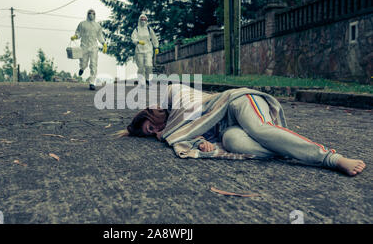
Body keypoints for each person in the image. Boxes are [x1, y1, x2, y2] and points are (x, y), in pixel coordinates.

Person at [121, 84, 366, 176]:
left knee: (260, 129)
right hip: (229, 129)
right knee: (233, 143)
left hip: (235, 103)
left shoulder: (173, 96)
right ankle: (288, 148)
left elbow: (189, 113)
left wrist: (172, 135)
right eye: (150, 133)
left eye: (152, 126)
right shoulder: (182, 131)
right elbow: (190, 134)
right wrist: (200, 143)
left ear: (152, 112)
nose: (156, 132)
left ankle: (331, 158)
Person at [71, 9, 107, 90]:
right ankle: (82, 68)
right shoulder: (82, 24)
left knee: (93, 64)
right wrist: (75, 36)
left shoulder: (97, 26)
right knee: (84, 62)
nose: (91, 15)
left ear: (95, 15)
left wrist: (104, 44)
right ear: (87, 14)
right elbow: (78, 32)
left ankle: (92, 83)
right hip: (84, 46)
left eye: (93, 13)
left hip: (94, 47)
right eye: (90, 13)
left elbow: (100, 36)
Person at [131, 14, 159, 86]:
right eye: (141, 19)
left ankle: (149, 80)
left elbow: (154, 38)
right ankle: (142, 82)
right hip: (139, 51)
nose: (143, 21)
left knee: (149, 65)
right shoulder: (136, 29)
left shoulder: (149, 29)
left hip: (148, 50)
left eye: (144, 19)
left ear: (146, 20)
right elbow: (133, 38)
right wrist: (138, 41)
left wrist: (156, 47)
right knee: (141, 67)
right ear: (139, 20)